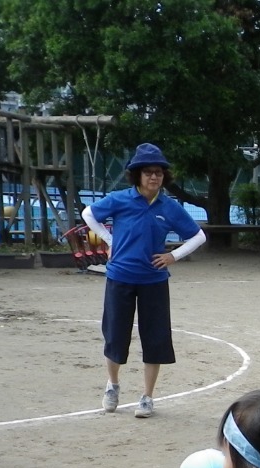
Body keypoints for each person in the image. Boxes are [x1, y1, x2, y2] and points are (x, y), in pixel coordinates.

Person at [82, 143, 207, 418]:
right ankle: (112, 385)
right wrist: (111, 240)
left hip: (154, 281)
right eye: (148, 172)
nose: (154, 177)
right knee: (115, 335)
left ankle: (147, 397)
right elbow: (88, 214)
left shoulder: (169, 206)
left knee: (156, 338)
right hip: (120, 277)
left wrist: (173, 256)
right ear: (137, 174)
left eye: (159, 172)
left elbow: (198, 236)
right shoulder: (120, 199)